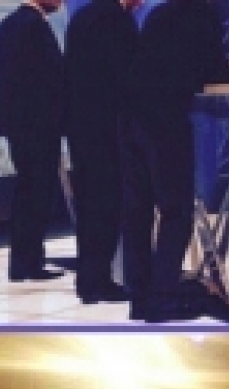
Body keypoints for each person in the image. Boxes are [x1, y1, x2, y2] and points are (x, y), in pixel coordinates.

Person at [120, 0, 229, 323]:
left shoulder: (160, 13)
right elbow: (210, 68)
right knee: (176, 211)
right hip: (164, 121)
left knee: (138, 211)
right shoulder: (203, 14)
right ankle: (162, 299)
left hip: (130, 119)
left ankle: (139, 297)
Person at [65, 0, 142, 305]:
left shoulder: (82, 18)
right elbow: (128, 77)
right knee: (107, 204)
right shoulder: (116, 20)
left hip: (80, 126)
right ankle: (98, 281)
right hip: (108, 127)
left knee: (88, 205)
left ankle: (89, 280)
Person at [0, 0, 67, 283]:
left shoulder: (9, 25)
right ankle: (29, 262)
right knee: (37, 193)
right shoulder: (32, 26)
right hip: (37, 124)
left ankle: (23, 263)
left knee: (27, 192)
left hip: (20, 126)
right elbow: (48, 77)